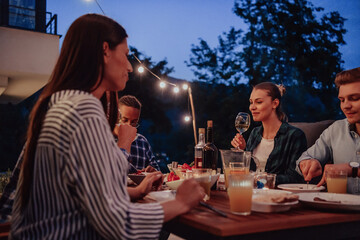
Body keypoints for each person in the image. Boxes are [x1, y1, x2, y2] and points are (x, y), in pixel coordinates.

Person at [10, 14, 205, 239]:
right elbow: (116, 223)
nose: (130, 68)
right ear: (105, 50)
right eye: (124, 54)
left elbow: (87, 194)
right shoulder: (83, 110)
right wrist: (181, 203)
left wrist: (135, 191)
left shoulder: (62, 103)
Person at [296, 67, 360, 194]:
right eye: (342, 100)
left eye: (354, 98)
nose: (346, 106)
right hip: (340, 209)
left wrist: (352, 169)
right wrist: (308, 163)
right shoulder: (336, 129)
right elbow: (304, 158)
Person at [231, 82, 307, 184]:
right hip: (252, 192)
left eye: (258, 102)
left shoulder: (295, 136)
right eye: (251, 102)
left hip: (277, 195)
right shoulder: (255, 133)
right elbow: (248, 171)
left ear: (275, 103)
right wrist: (243, 151)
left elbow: (295, 178)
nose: (252, 107)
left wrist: (262, 179)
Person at [114, 95, 160, 173]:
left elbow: (157, 171)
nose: (129, 125)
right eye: (125, 120)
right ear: (116, 117)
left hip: (141, 185)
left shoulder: (142, 141)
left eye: (133, 122)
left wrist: (153, 171)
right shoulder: (105, 139)